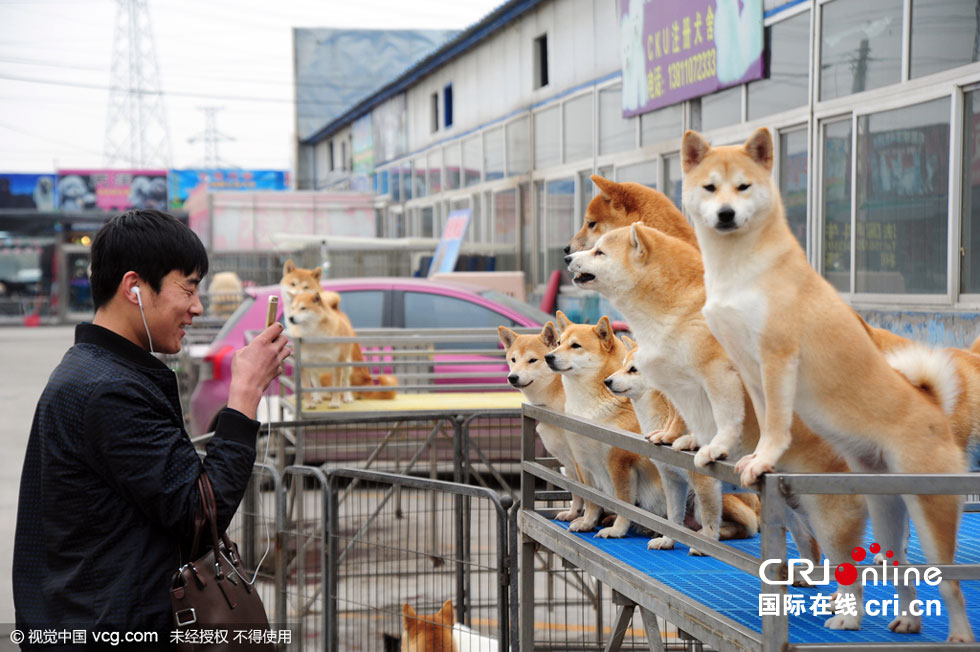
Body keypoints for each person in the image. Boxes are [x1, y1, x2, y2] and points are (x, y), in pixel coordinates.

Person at [12, 209, 290, 646]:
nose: (197, 307)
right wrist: (244, 396)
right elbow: (201, 514)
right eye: (189, 287)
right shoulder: (111, 390)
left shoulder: (94, 372)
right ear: (134, 288)